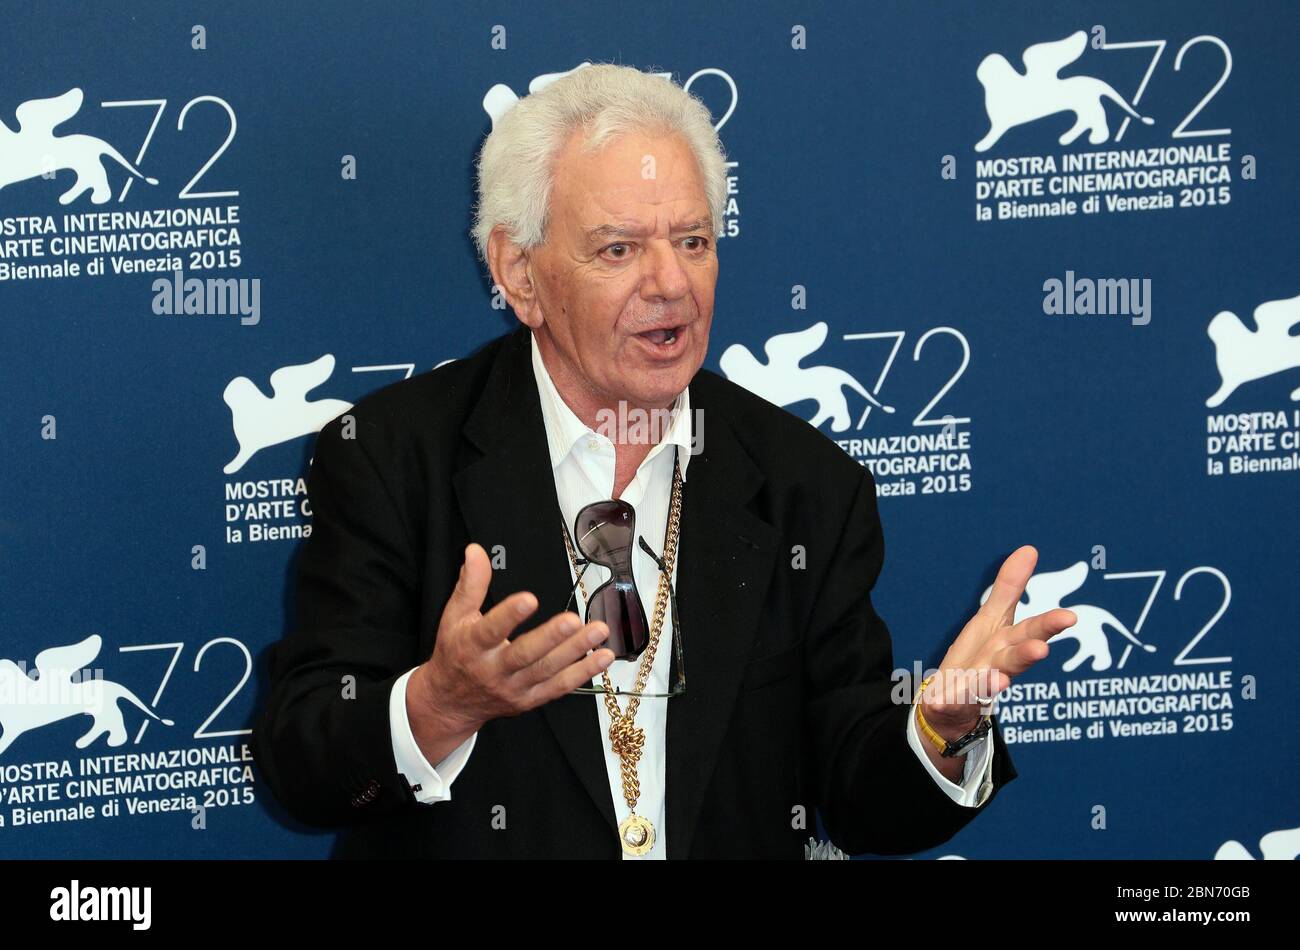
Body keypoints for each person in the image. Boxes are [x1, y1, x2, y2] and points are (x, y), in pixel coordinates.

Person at [252, 63, 1076, 859]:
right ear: (519, 274)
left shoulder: (805, 487)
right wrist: (438, 706)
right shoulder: (394, 460)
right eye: (619, 250)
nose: (671, 283)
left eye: (693, 240)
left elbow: (859, 797)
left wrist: (941, 728)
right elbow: (305, 766)